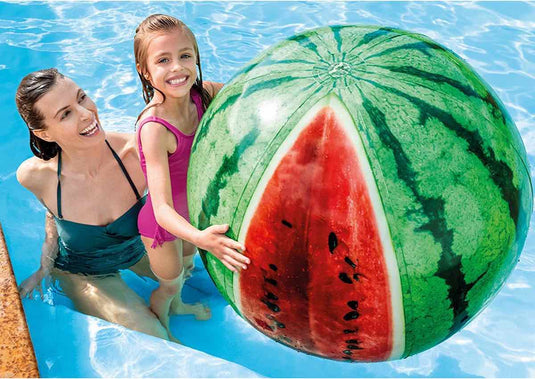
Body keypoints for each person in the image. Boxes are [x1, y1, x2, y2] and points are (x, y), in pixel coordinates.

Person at [15, 68, 178, 341]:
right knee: (156, 337)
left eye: (82, 98)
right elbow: (51, 216)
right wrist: (45, 267)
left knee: (201, 284)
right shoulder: (35, 177)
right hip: (84, 272)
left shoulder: (135, 154)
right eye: (65, 114)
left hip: (137, 252)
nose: (86, 114)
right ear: (44, 133)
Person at [133, 14, 250, 340]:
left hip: (192, 219)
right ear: (145, 70)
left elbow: (250, 93)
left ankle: (180, 305)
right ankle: (162, 328)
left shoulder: (205, 95)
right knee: (169, 282)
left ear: (196, 58)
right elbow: (162, 209)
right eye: (163, 60)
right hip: (163, 226)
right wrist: (202, 239)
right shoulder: (154, 129)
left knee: (185, 269)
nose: (177, 68)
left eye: (185, 56)